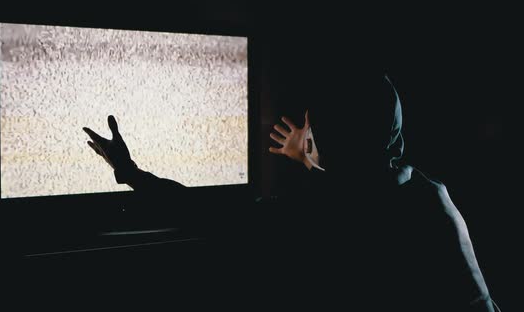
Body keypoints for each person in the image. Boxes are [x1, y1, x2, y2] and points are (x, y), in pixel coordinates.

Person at [82, 74, 500, 311]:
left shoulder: (310, 218)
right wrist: (317, 157)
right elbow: (365, 182)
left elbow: (202, 210)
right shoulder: (431, 195)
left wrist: (128, 170)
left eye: (316, 130)